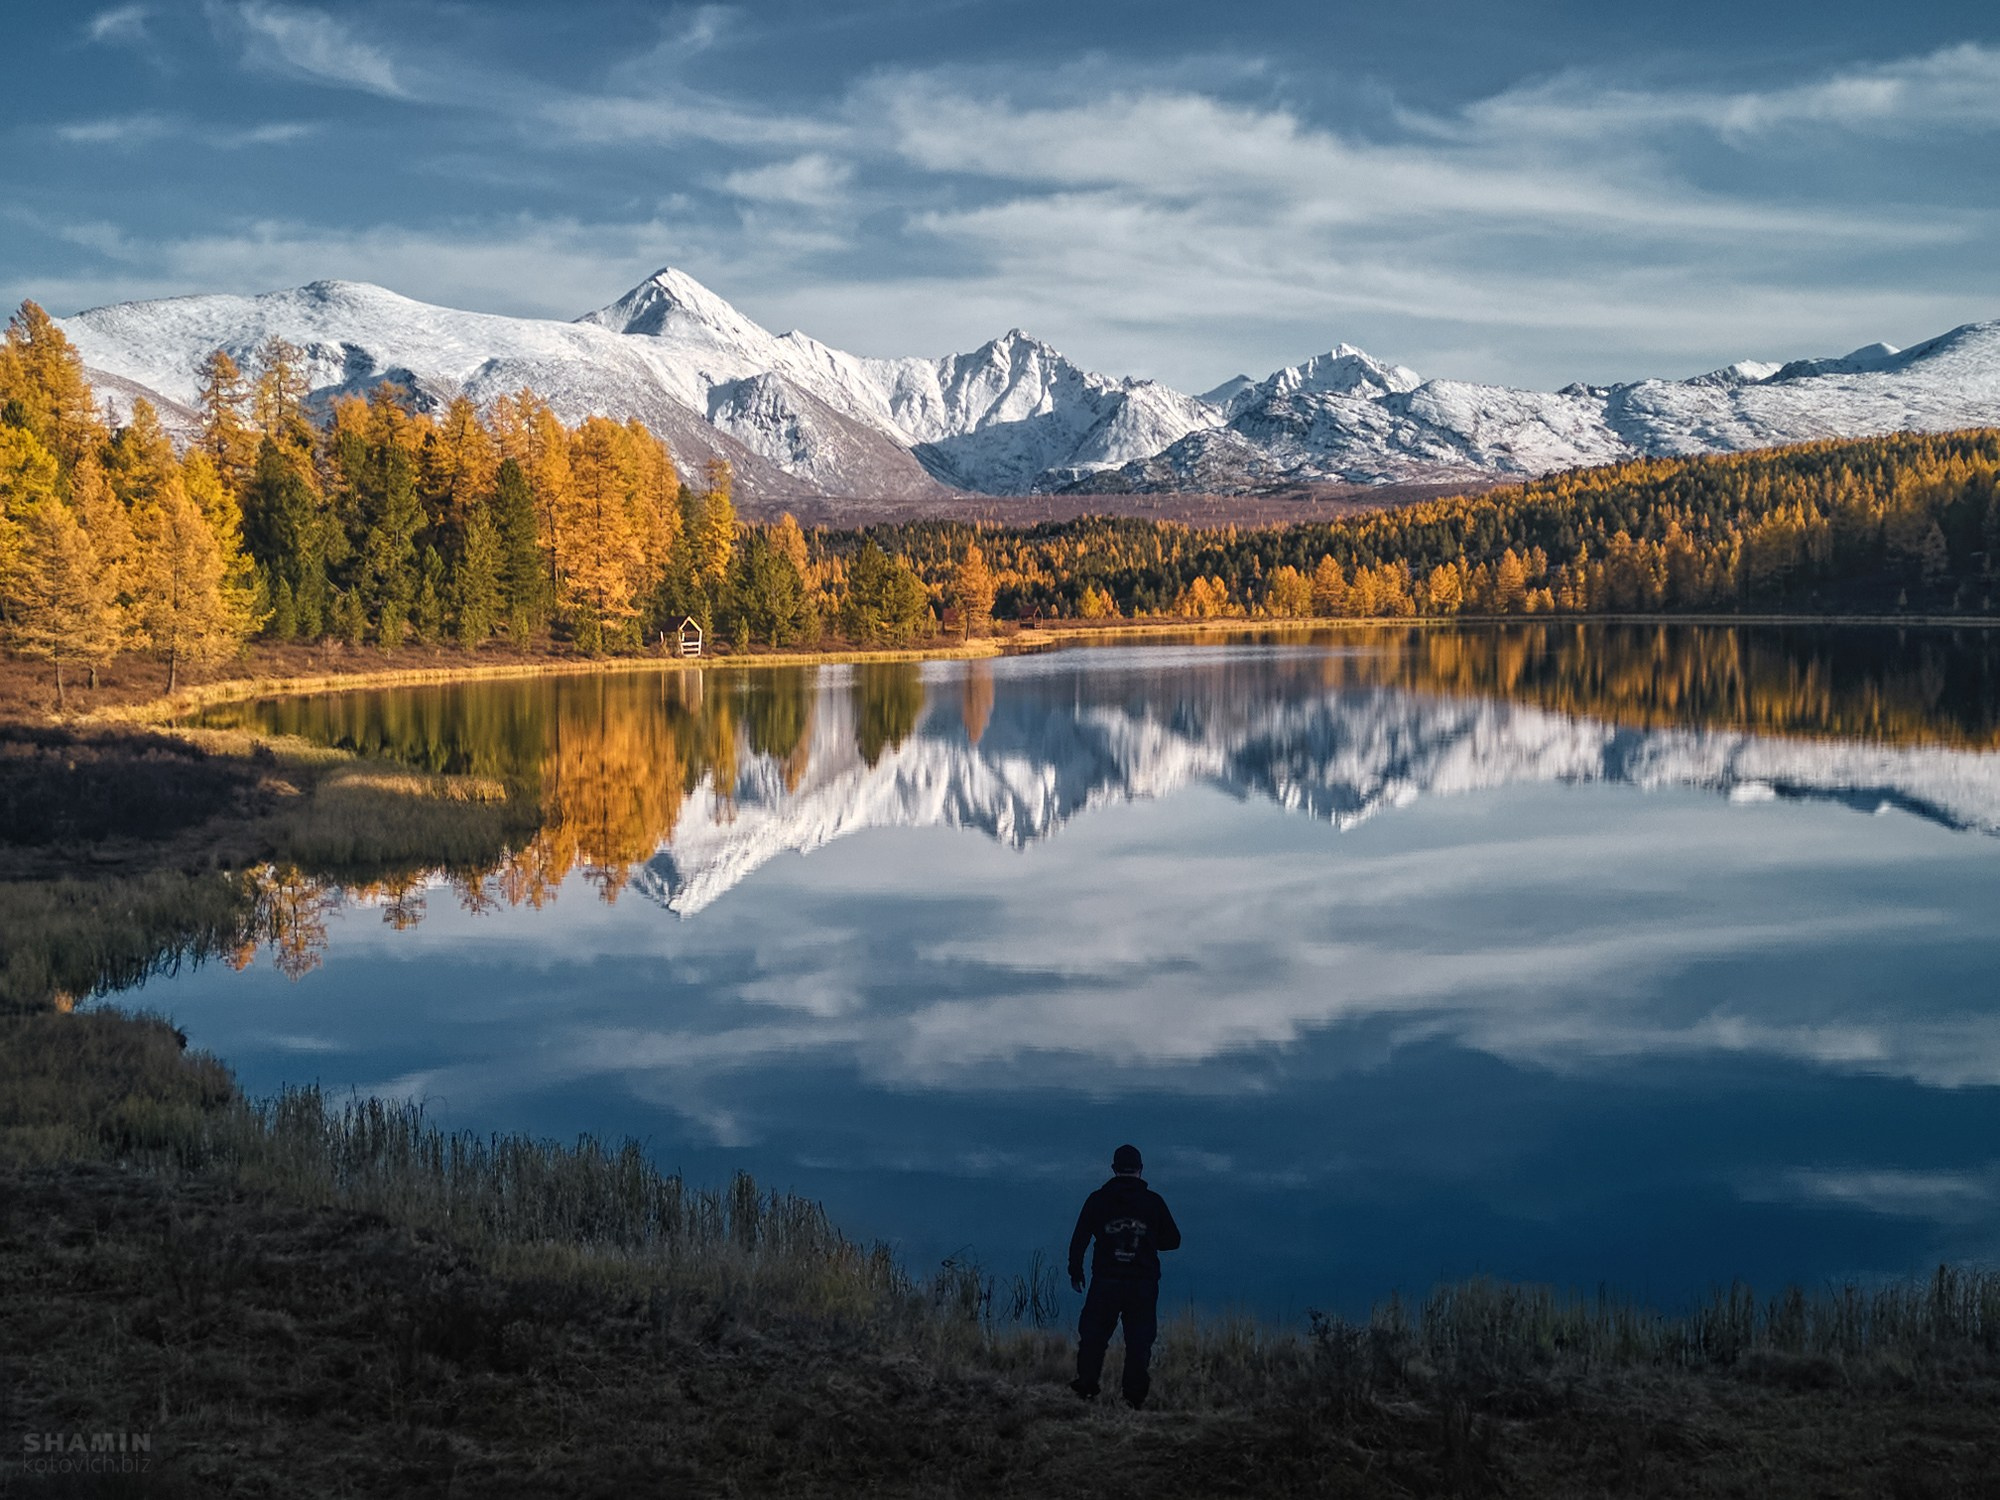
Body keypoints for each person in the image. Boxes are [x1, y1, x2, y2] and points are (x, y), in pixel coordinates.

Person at [1067, 1143, 1181, 1409]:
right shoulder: (1154, 1202)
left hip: (1105, 1280)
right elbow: (1173, 1240)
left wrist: (1076, 1271)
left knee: (1093, 1337)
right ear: (1141, 1170)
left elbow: (1079, 1239)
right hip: (1142, 1283)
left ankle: (1086, 1386)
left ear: (1113, 1169)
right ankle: (1133, 1398)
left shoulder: (1097, 1200)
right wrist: (1149, 1241)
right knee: (1139, 1342)